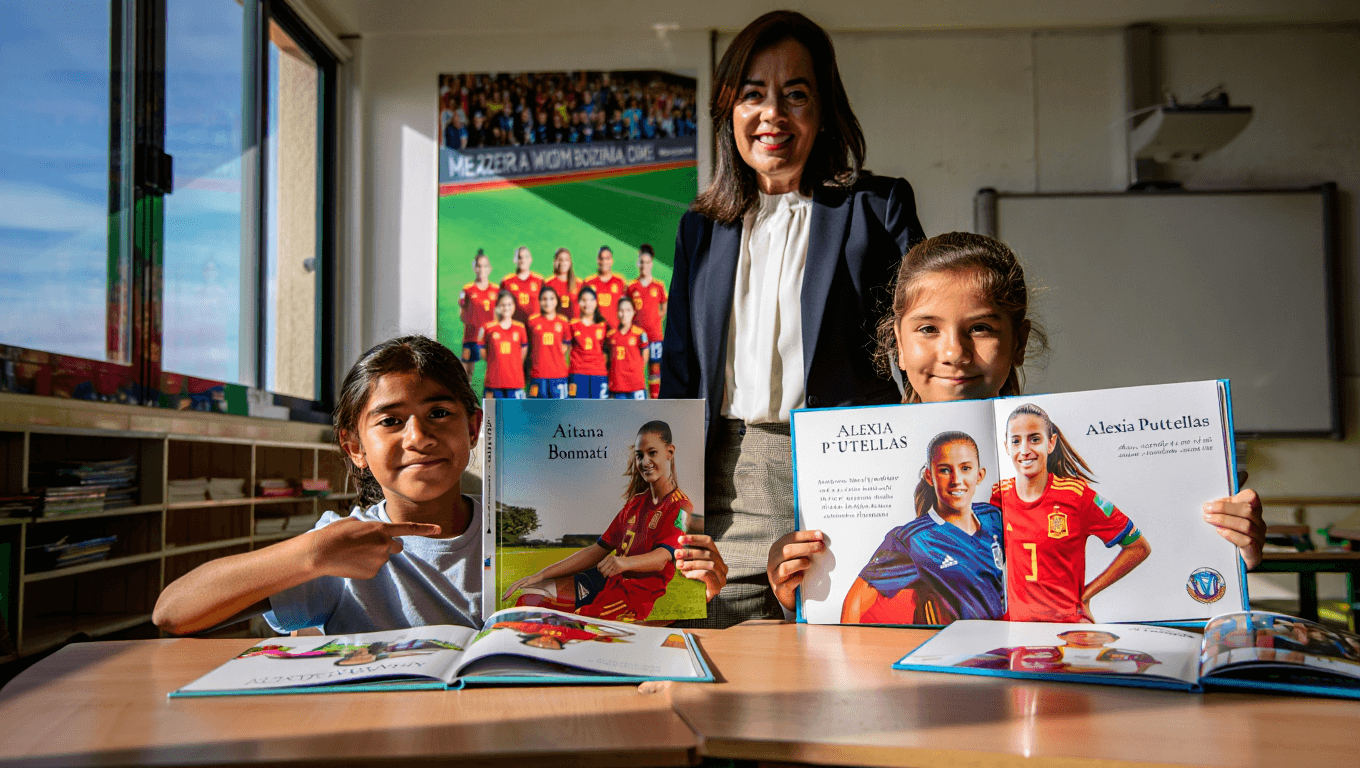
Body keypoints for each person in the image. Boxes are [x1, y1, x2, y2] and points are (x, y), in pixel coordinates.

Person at [767, 232, 1268, 616]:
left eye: (980, 328)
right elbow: (849, 615)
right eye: (927, 329)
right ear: (897, 341)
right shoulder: (846, 472)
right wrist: (799, 591)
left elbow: (1169, 565)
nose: (953, 353)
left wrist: (1227, 549)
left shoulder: (1057, 476)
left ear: (1020, 340)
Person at [660, 10, 926, 626]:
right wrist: (676, 511)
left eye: (795, 95)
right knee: (725, 677)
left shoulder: (877, 207)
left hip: (848, 478)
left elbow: (925, 347)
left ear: (824, 110)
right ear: (730, 109)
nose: (771, 115)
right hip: (727, 488)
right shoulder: (701, 229)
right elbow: (679, 374)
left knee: (844, 676)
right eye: (753, 95)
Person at [151, 336, 487, 634]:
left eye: (439, 413)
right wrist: (313, 554)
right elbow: (171, 612)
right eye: (390, 421)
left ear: (473, 429)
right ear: (356, 447)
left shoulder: (518, 525)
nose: (418, 438)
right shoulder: (339, 544)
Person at [501, 421, 726, 622]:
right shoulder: (635, 504)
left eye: (652, 452)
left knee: (570, 625)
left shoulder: (680, 505)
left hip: (630, 598)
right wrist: (542, 574)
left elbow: (663, 558)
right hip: (604, 581)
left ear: (669, 452)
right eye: (640, 455)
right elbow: (596, 550)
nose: (645, 461)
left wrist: (623, 563)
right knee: (529, 598)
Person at [995, 403, 1150, 623]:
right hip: (1015, 631)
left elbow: (1138, 547)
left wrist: (1086, 595)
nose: (1025, 450)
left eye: (1035, 439)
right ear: (1006, 447)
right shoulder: (997, 496)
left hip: (1065, 630)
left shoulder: (1076, 496)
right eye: (1016, 441)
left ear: (1051, 443)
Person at [840, 431, 1004, 625]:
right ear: (929, 476)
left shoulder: (993, 516)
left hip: (1002, 643)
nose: (956, 479)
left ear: (979, 474)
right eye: (944, 470)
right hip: (955, 649)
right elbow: (856, 601)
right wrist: (848, 653)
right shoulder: (912, 540)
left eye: (965, 468)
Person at [958, 630, 1161, 675]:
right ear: (1065, 635)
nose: (1088, 637)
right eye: (1081, 633)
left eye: (1097, 636)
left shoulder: (1134, 657)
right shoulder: (1029, 650)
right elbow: (979, 661)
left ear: (1110, 640)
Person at [627, 244, 667, 398]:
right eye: (641, 262)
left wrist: (656, 318)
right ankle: (638, 399)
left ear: (651, 264)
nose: (644, 265)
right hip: (637, 337)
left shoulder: (658, 286)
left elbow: (664, 305)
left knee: (655, 369)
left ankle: (655, 399)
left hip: (655, 336)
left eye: (647, 262)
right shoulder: (632, 287)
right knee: (637, 368)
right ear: (638, 264)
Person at [479, 290, 528, 399]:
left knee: (514, 415)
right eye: (503, 305)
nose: (506, 308)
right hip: (493, 382)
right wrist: (495, 362)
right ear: (497, 306)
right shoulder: (488, 328)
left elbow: (523, 351)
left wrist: (512, 364)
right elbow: (483, 351)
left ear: (514, 306)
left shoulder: (520, 328)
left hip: (515, 383)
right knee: (492, 415)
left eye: (509, 304)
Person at [458, 249, 498, 377]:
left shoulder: (496, 290)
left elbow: (499, 313)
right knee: (466, 372)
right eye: (479, 266)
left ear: (490, 269)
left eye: (485, 266)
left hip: (490, 337)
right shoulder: (468, 289)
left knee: (494, 371)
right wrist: (472, 324)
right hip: (471, 337)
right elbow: (462, 313)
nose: (482, 269)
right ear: (474, 268)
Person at [526, 285, 570, 399]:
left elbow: (566, 345)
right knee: (537, 412)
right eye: (544, 299)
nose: (548, 302)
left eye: (551, 298)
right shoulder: (532, 322)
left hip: (558, 375)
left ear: (556, 301)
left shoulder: (563, 322)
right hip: (537, 375)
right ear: (539, 301)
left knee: (560, 411)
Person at [569, 286, 609, 399]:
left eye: (591, 300)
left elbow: (609, 352)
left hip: (599, 374)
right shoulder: (572, 325)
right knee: (578, 410)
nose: (587, 303)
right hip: (577, 373)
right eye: (583, 300)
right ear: (579, 303)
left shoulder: (603, 326)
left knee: (599, 411)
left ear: (596, 302)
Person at [607, 296, 649, 399]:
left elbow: (645, 356)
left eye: (628, 310)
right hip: (618, 385)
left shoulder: (640, 333)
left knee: (639, 414)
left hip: (636, 385)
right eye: (621, 310)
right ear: (617, 313)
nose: (624, 314)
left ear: (633, 312)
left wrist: (636, 370)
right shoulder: (611, 335)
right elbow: (607, 358)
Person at [583, 246, 627, 330]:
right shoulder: (589, 282)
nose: (604, 262)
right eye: (601, 258)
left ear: (612, 261)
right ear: (597, 260)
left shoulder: (620, 282)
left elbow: (626, 307)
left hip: (615, 331)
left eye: (607, 258)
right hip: (594, 330)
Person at [500, 246, 544, 325]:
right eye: (520, 257)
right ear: (515, 260)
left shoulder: (539, 281)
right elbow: (499, 307)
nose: (523, 260)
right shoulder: (506, 282)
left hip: (535, 326)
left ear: (531, 260)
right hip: (514, 327)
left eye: (526, 257)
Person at [545, 247, 578, 320]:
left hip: (575, 327)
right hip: (556, 326)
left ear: (570, 263)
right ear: (555, 262)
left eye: (566, 260)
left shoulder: (579, 283)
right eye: (560, 260)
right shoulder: (548, 283)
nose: (563, 263)